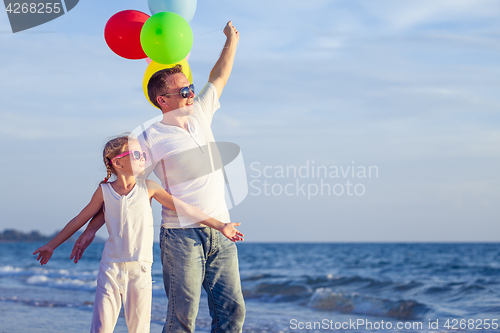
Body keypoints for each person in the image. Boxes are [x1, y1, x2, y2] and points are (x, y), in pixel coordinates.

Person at [72, 21, 245, 333]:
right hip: (180, 237)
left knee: (232, 312)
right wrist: (89, 230)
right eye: (183, 91)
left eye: (190, 87)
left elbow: (220, 75)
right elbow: (127, 189)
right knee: (182, 318)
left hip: (221, 229)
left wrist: (231, 40)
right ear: (162, 99)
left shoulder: (201, 112)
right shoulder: (150, 137)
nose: (191, 93)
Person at [33, 136, 243, 333]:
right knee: (100, 328)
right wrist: (52, 245)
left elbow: (183, 208)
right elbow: (79, 219)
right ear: (117, 162)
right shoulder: (104, 191)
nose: (142, 158)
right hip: (110, 268)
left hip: (140, 270)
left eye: (143, 155)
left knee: (139, 328)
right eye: (136, 155)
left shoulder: (148, 187)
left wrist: (220, 225)